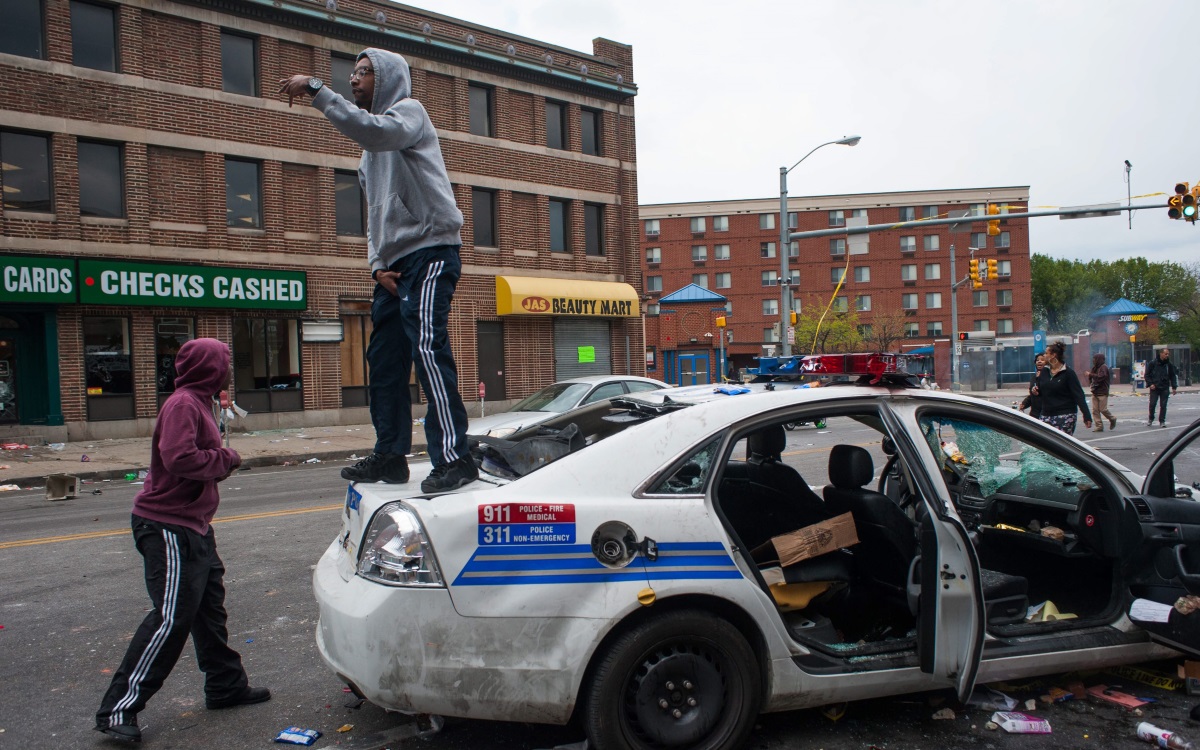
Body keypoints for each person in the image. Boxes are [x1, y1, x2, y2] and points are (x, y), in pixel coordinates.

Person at [279, 49, 477, 492]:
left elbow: (374, 132)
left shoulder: (408, 115)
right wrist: (376, 266)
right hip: (392, 268)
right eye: (351, 73)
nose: (353, 80)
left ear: (386, 78)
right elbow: (373, 217)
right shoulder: (369, 156)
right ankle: (391, 456)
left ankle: (454, 458)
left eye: (363, 73)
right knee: (384, 362)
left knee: (426, 344)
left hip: (431, 251)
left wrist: (316, 90)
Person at [95, 339, 269, 743]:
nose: (229, 371)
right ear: (210, 369)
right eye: (224, 364)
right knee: (170, 617)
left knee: (209, 610)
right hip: (167, 527)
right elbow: (179, 458)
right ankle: (118, 709)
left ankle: (225, 686)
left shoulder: (200, 401)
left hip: (193, 526)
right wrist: (227, 459)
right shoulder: (184, 404)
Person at [1033, 341, 1092, 435]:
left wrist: (1087, 415)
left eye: (1046, 353)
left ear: (1053, 355)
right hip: (1046, 415)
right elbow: (1041, 390)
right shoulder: (1044, 371)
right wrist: (1036, 391)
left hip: (1065, 414)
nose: (1044, 356)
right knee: (1045, 444)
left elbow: (1079, 395)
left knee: (1060, 444)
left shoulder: (1068, 373)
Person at [1146, 347, 1179, 427]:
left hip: (1164, 387)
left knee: (1163, 405)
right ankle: (1151, 418)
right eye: (1165, 354)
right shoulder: (1153, 363)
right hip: (1155, 387)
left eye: (1168, 354)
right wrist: (1151, 384)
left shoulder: (1169, 364)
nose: (1167, 355)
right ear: (1161, 354)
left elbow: (1173, 376)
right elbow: (1147, 375)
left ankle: (1162, 421)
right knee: (1152, 404)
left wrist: (1174, 387)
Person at [1085, 351, 1117, 432]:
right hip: (1095, 391)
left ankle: (1112, 418)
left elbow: (1100, 377)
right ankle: (1099, 426)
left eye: (1095, 359)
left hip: (1102, 392)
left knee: (1103, 409)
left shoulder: (1103, 367)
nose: (1094, 361)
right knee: (1095, 410)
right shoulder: (1095, 368)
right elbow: (1092, 377)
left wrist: (1090, 375)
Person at [1019, 353, 1046, 418]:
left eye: (1042, 360)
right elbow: (1032, 395)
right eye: (1037, 360)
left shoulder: (1049, 377)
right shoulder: (1034, 377)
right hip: (1034, 413)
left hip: (1046, 413)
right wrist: (1025, 403)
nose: (1039, 361)